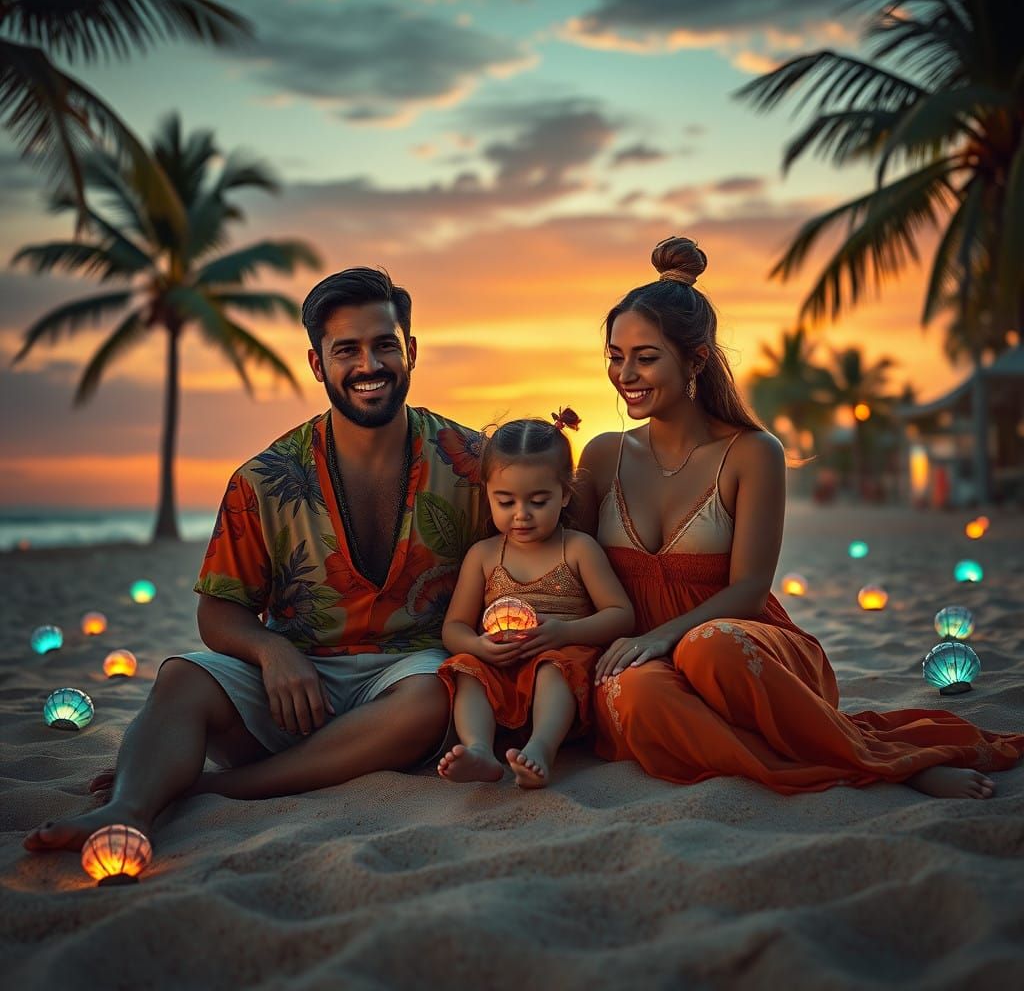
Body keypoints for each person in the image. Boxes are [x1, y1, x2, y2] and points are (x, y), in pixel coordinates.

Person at [24, 267, 483, 853]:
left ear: (411, 351)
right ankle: (129, 809)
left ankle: (224, 788)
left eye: (384, 345)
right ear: (318, 364)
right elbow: (218, 616)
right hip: (295, 691)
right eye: (347, 350)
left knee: (434, 692)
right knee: (183, 676)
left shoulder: (472, 463)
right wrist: (271, 650)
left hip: (404, 687)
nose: (369, 366)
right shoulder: (265, 478)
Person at [576, 236, 1023, 798]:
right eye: (615, 357)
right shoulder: (600, 455)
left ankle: (888, 762)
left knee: (707, 645)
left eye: (645, 358)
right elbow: (557, 551)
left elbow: (749, 589)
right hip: (644, 662)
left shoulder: (751, 452)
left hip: (745, 656)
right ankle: (849, 765)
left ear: (696, 359)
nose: (625, 375)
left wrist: (667, 635)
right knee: (636, 695)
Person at [437, 414, 633, 788]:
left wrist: (564, 632)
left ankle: (542, 748)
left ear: (565, 494)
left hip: (564, 663)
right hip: (501, 664)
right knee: (465, 669)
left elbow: (621, 615)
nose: (521, 514)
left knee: (550, 669)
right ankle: (478, 748)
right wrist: (478, 645)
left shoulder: (577, 548)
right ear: (488, 493)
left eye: (538, 501)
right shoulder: (483, 555)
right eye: (505, 501)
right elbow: (454, 627)